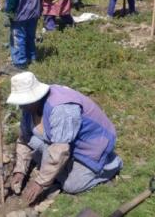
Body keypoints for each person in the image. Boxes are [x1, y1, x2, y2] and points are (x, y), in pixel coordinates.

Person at [7, 72, 122, 204]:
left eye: (23, 102)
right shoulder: (29, 109)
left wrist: (40, 182)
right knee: (39, 153)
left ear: (35, 97)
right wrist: (20, 170)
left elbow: (60, 149)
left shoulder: (62, 109)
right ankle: (61, 167)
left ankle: (110, 165)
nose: (21, 107)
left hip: (91, 146)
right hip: (66, 143)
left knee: (71, 185)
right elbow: (24, 138)